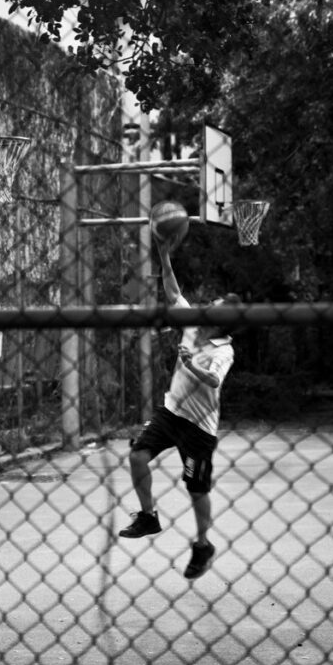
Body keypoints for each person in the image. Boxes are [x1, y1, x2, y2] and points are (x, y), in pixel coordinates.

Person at [119, 238, 240, 579]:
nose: (207, 305)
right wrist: (163, 253)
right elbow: (172, 291)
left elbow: (214, 381)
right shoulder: (192, 323)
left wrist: (191, 365)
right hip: (172, 413)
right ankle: (148, 516)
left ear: (222, 320)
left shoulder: (223, 349)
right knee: (137, 456)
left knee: (196, 489)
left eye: (214, 304)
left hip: (200, 428)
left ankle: (203, 545)